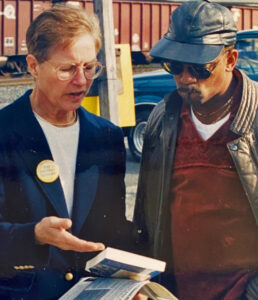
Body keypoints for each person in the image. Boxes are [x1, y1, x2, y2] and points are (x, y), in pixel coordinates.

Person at [0, 5, 139, 299]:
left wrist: (130, 283)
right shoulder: (4, 133)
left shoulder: (107, 137)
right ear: (33, 66)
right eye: (67, 69)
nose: (81, 81)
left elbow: (112, 228)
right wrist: (34, 234)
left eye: (89, 67)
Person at [133, 0, 258, 299]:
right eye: (174, 67)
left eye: (201, 68)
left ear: (231, 59)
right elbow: (146, 221)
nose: (185, 78)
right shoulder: (162, 122)